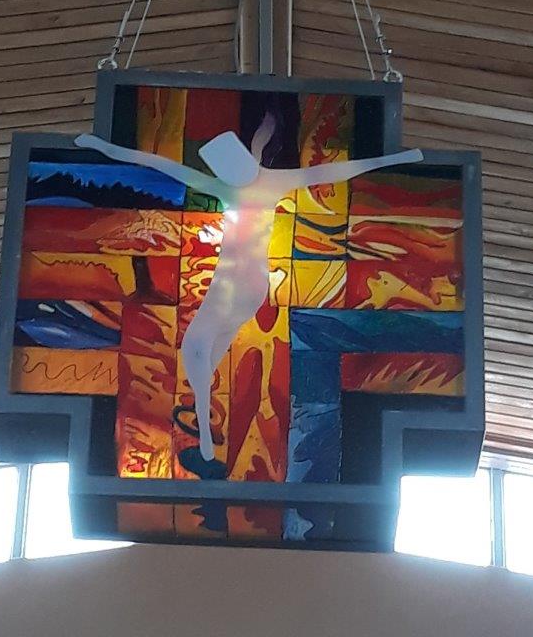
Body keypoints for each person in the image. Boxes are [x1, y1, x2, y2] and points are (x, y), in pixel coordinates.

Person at [76, 121, 422, 461]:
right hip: (246, 286)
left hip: (236, 284)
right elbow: (160, 164)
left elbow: (334, 171)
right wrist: (102, 146)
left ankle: (205, 431)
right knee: (206, 354)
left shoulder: (251, 185)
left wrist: (394, 159)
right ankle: (204, 426)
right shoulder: (255, 183)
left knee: (196, 347)